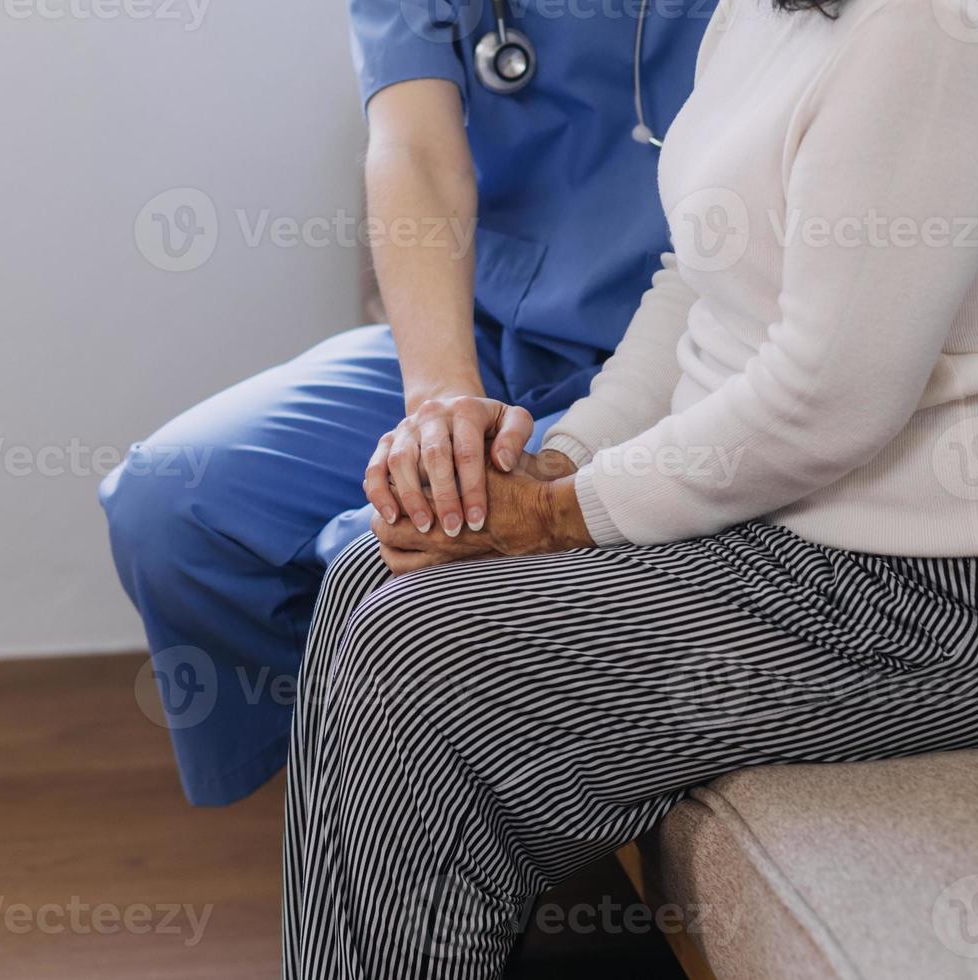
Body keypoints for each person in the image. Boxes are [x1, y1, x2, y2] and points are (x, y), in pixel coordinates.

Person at [280, 0, 978, 974]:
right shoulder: (765, 11)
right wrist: (563, 461)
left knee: (417, 651)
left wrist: (562, 517)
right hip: (794, 529)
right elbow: (698, 277)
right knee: (366, 574)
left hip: (969, 589)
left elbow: (832, 393)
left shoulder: (930, 22)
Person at [99, 0, 711, 806]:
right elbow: (415, 148)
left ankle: (424, 836)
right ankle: (351, 803)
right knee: (170, 503)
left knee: (398, 546)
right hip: (487, 329)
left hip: (689, 356)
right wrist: (442, 402)